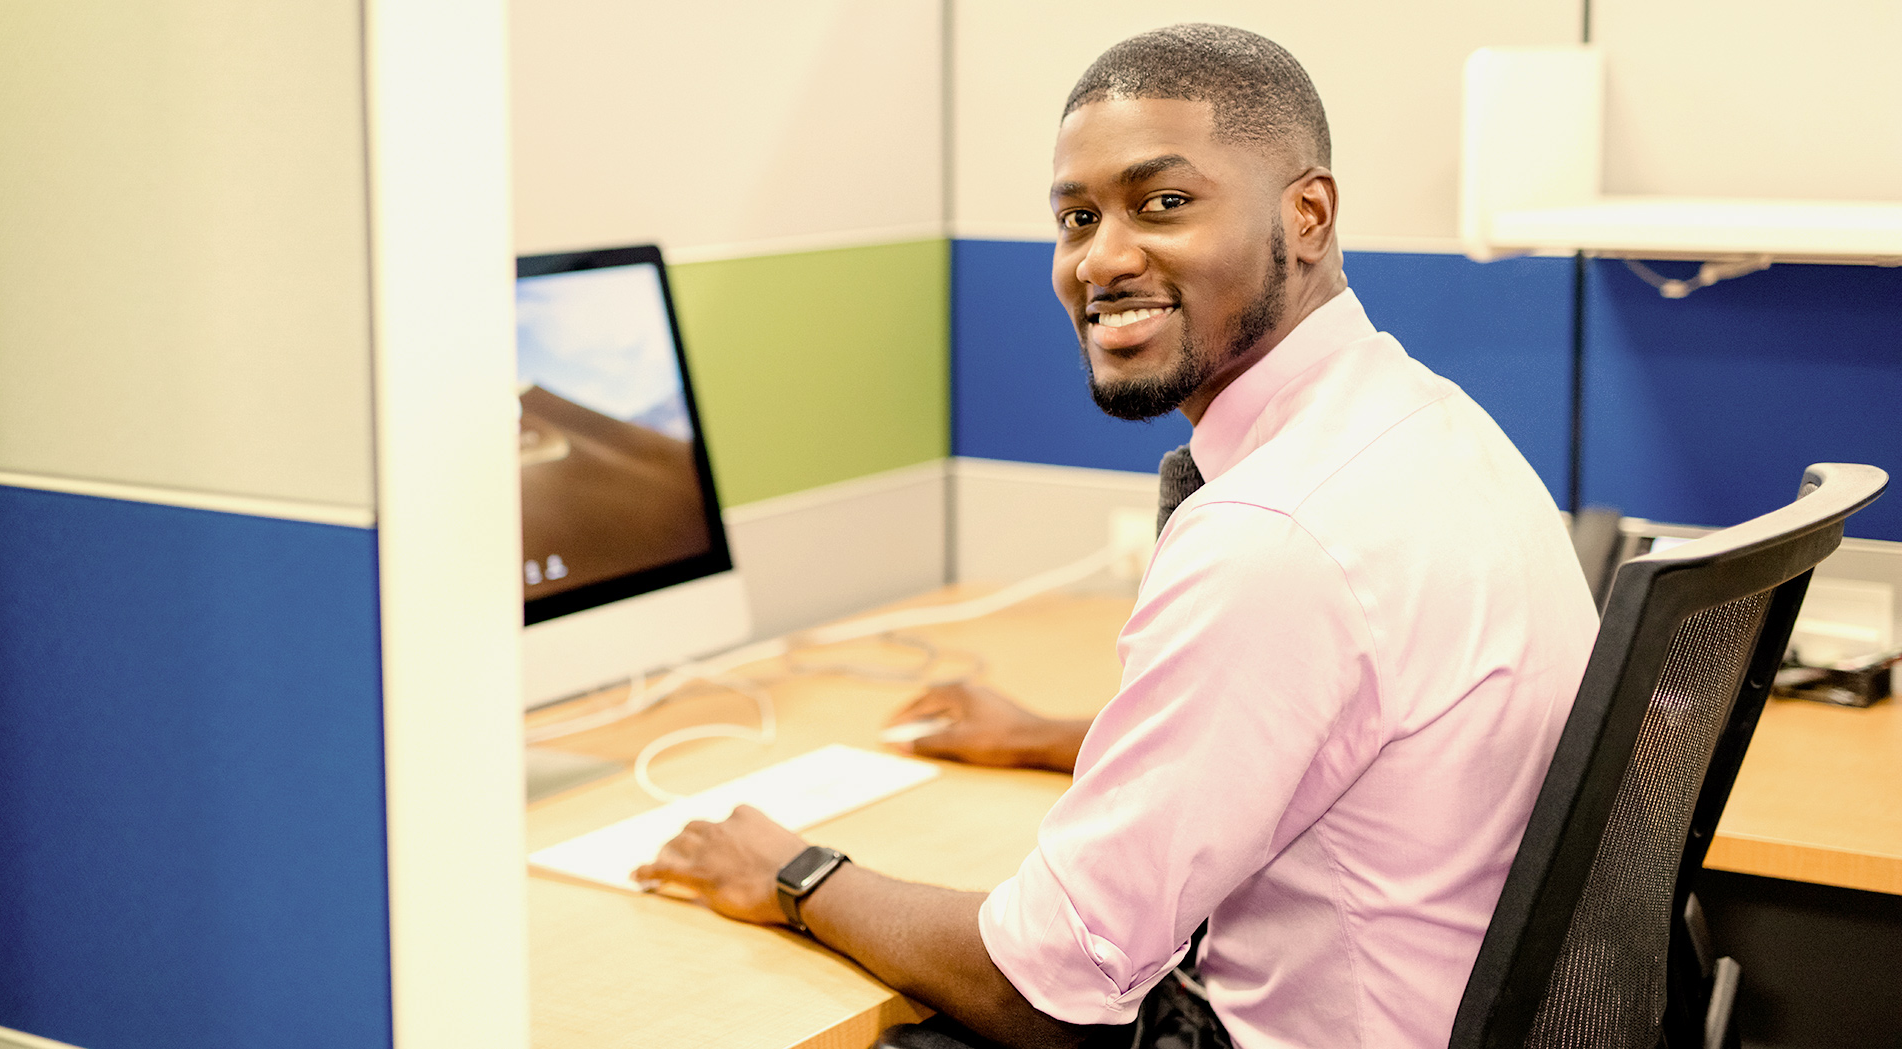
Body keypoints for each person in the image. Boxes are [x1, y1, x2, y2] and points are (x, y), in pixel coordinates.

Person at [631, 24, 1598, 1049]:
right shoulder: (1424, 421)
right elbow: (1327, 727)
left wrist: (794, 873)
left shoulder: (1272, 535)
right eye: (1076, 216)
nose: (1101, 258)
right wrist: (1051, 737)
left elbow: (1042, 987)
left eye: (1161, 203)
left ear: (1305, 214)